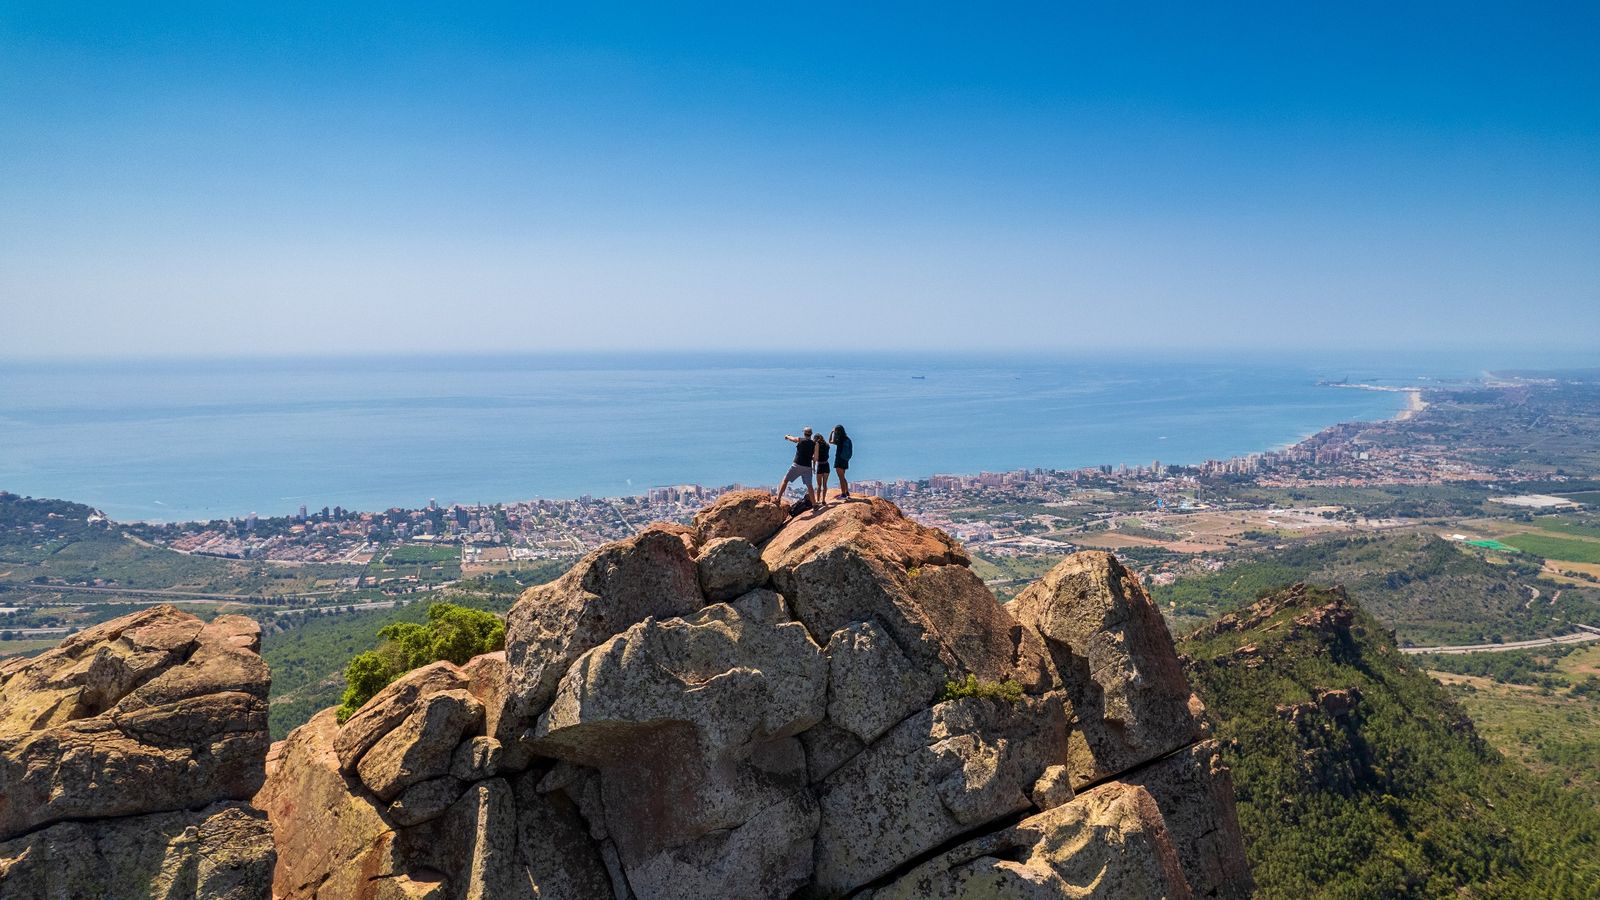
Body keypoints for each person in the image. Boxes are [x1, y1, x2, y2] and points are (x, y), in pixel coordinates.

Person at [776, 427, 816, 507]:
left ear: (804, 434)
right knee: (809, 485)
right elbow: (816, 458)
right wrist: (810, 458)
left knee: (786, 479)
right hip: (808, 466)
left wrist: (787, 436)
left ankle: (778, 498)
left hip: (797, 464)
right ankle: (814, 504)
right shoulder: (814, 444)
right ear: (811, 434)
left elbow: (793, 439)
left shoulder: (800, 440)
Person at [830, 425, 853, 499]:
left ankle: (843, 494)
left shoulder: (839, 440)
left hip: (839, 459)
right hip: (845, 460)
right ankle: (846, 491)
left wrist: (832, 432)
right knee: (843, 476)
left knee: (841, 478)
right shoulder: (847, 439)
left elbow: (830, 441)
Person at [813, 431, 832, 504]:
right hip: (826, 465)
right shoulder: (827, 445)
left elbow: (815, 457)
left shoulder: (816, 446)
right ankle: (823, 500)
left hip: (820, 465)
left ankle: (818, 500)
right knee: (825, 484)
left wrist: (813, 467)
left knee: (819, 485)